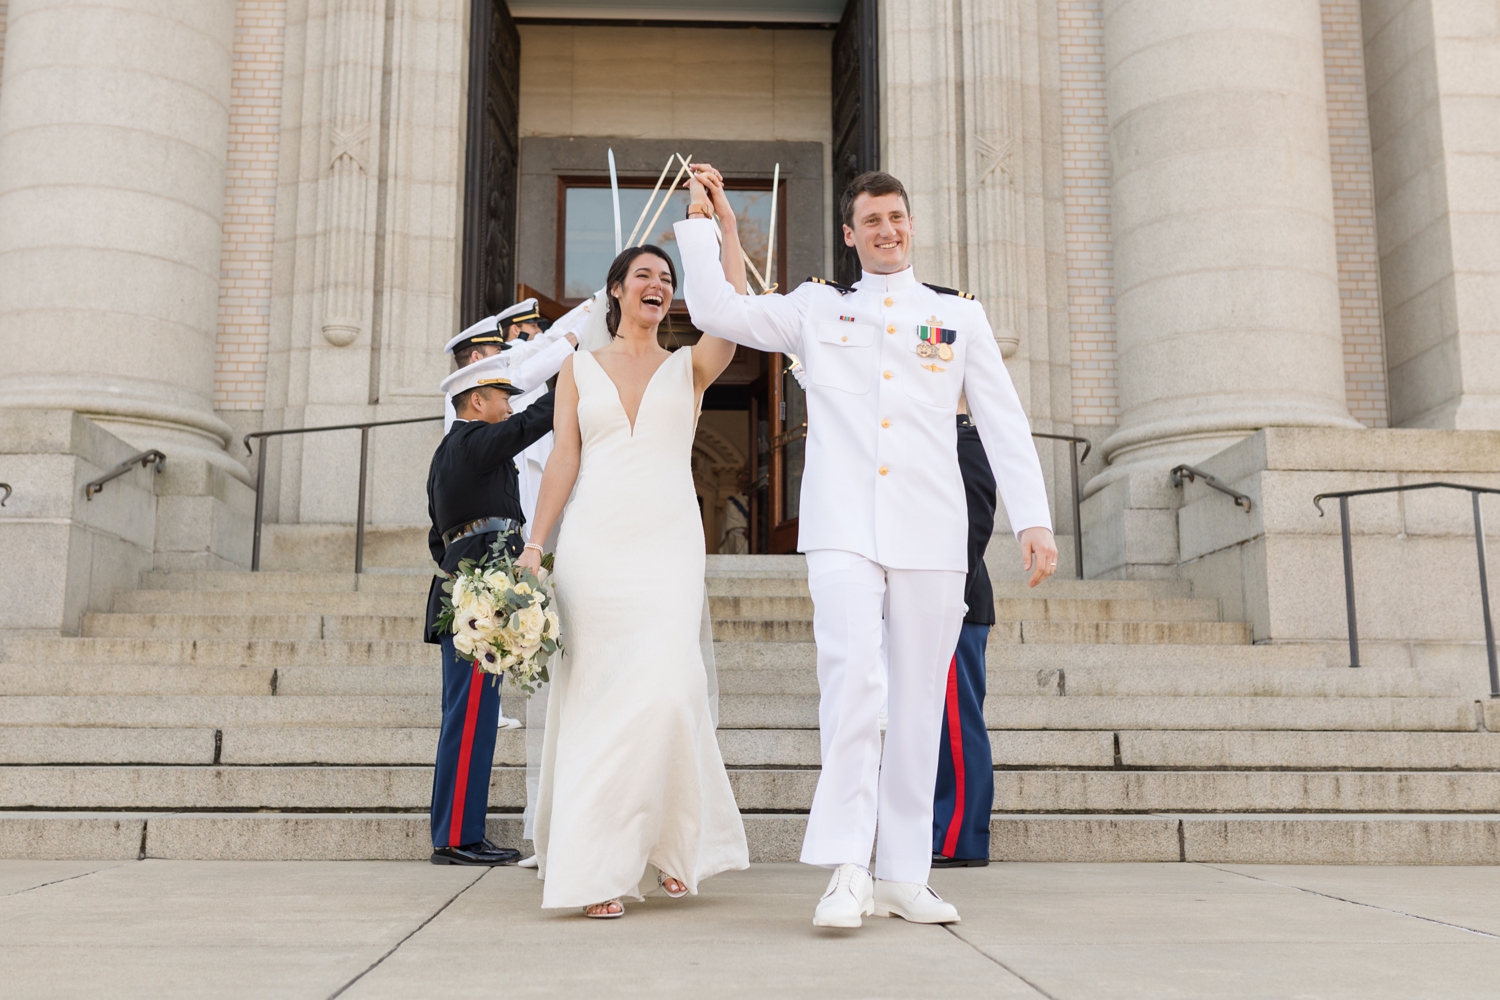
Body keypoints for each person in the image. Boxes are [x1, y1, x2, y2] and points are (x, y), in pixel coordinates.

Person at [674, 166, 1058, 928]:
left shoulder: (959, 317)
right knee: (853, 688)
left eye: (897, 217)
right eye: (871, 220)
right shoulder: (817, 307)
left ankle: (904, 874)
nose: (887, 230)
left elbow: (1004, 422)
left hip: (933, 530)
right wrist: (706, 218)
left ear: (910, 226)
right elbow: (717, 305)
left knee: (918, 702)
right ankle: (848, 869)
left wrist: (1034, 519)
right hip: (844, 526)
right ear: (849, 235)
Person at [518, 231, 750, 918]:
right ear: (617, 290)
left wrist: (727, 233)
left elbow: (730, 312)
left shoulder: (691, 367)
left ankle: (672, 844)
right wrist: (536, 544)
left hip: (669, 544)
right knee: (597, 699)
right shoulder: (578, 368)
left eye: (668, 278)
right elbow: (563, 458)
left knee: (671, 688)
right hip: (595, 546)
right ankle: (598, 869)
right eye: (644, 274)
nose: (659, 285)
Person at [424, 354, 556, 865]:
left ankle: (460, 833)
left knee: (472, 717)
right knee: (470, 717)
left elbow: (439, 538)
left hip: (471, 591)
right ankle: (456, 838)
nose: (508, 408)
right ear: (476, 402)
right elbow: (529, 424)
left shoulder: (454, 454)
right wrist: (574, 380)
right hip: (477, 600)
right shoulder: (471, 441)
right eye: (502, 399)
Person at [932, 406, 998, 868]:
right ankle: (941, 830)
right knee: (935, 728)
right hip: (926, 602)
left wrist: (948, 598)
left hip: (957, 602)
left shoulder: (964, 438)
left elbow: (976, 521)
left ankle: (960, 839)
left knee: (956, 727)